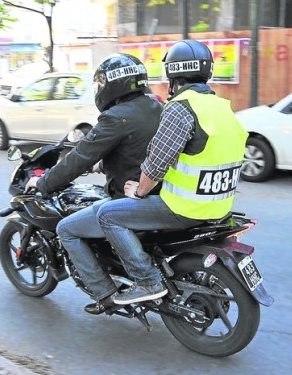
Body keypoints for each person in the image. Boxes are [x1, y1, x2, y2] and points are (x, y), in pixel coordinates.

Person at [96, 39, 249, 305]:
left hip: (184, 208)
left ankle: (147, 281)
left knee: (108, 215)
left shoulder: (181, 108)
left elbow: (157, 164)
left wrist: (138, 191)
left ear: (172, 74)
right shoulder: (222, 107)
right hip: (221, 207)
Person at [23, 53, 163, 314]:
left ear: (111, 85)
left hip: (131, 201)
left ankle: (104, 294)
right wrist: (103, 164)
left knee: (67, 229)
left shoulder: (117, 117)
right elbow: (138, 150)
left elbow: (78, 157)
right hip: (162, 195)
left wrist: (43, 182)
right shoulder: (156, 106)